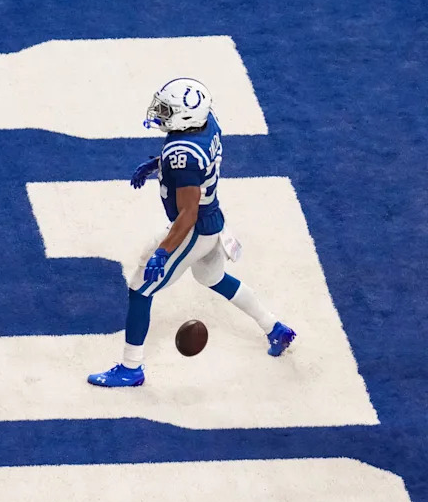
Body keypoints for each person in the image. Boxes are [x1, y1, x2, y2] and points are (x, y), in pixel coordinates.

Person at [88, 78, 295, 388]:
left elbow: (187, 214)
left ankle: (131, 368)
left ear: (186, 117)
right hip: (212, 221)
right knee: (212, 278)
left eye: (167, 109)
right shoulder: (207, 123)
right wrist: (160, 165)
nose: (159, 113)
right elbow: (196, 168)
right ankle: (274, 327)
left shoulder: (182, 153)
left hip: (194, 230)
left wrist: (163, 252)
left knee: (140, 288)